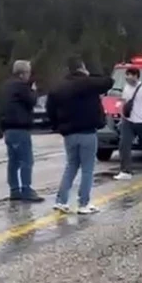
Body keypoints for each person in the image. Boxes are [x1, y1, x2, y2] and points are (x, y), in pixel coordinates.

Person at [47, 56, 114, 214]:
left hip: (69, 133)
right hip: (87, 131)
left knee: (71, 166)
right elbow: (108, 82)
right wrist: (91, 74)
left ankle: (61, 201)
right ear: (82, 68)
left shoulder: (59, 87)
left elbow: (50, 109)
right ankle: (84, 203)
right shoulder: (88, 83)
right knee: (87, 168)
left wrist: (57, 125)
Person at [0, 60, 43, 202]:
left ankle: (14, 189)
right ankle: (26, 189)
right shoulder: (22, 86)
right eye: (28, 72)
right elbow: (32, 101)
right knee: (26, 161)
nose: (29, 76)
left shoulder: (6, 86)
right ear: (23, 73)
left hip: (8, 128)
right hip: (20, 127)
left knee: (13, 161)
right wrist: (34, 90)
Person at [114, 67, 142, 181]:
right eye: (126, 75)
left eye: (130, 75)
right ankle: (126, 170)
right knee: (124, 144)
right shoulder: (126, 87)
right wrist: (121, 116)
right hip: (128, 121)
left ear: (136, 76)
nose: (127, 77)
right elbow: (124, 102)